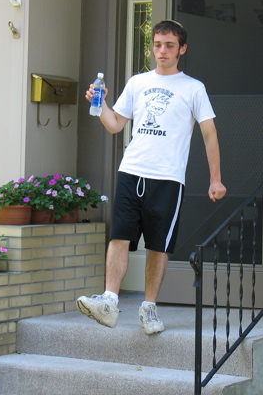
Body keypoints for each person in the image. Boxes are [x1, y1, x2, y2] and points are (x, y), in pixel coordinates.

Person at [77, 20, 227, 335]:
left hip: (168, 178)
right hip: (131, 170)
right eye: (158, 44)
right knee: (119, 236)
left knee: (158, 245)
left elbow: (209, 134)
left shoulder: (192, 88)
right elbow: (115, 124)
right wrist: (100, 103)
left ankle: (148, 310)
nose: (162, 51)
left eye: (169, 45)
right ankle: (109, 302)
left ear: (181, 49)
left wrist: (216, 179)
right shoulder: (137, 83)